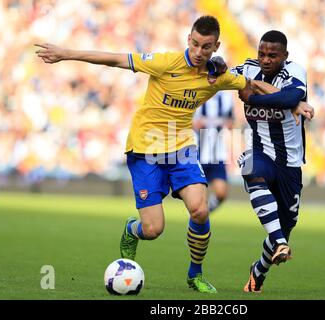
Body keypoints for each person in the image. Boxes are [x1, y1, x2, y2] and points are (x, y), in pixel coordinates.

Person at [35, 15, 271, 294]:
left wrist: (295, 101)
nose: (198, 52)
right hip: (145, 150)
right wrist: (66, 54)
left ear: (215, 46)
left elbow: (250, 84)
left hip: (181, 148)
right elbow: (115, 59)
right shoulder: (165, 62)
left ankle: (195, 275)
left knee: (199, 208)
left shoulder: (217, 77)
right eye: (194, 44)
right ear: (188, 39)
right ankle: (132, 230)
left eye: (205, 47)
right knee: (153, 229)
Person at [234, 30, 313, 293]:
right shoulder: (247, 67)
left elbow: (291, 98)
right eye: (262, 54)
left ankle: (258, 273)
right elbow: (221, 72)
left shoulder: (295, 71)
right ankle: (280, 242)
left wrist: (253, 96)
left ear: (285, 56)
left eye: (272, 55)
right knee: (250, 167)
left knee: (286, 223)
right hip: (261, 152)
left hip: (290, 165)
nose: (265, 60)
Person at [193, 91, 235, 213]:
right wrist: (196, 124)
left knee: (221, 193)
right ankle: (200, 219)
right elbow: (186, 122)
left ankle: (206, 212)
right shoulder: (197, 93)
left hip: (218, 152)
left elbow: (231, 122)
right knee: (200, 197)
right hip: (198, 152)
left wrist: (228, 124)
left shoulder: (226, 97)